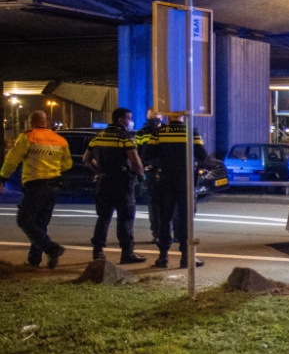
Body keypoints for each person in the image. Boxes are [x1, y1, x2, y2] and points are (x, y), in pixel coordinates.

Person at [0, 110, 71, 268]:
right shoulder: (59, 140)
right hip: (54, 187)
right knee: (40, 224)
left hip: (36, 186)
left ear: (32, 122)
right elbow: (67, 164)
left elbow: (12, 160)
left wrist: (3, 178)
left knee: (24, 220)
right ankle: (34, 261)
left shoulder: (27, 137)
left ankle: (52, 248)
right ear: (46, 122)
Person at [142, 115, 207, 269]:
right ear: (182, 116)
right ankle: (186, 258)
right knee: (185, 219)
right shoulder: (191, 132)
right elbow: (202, 156)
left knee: (165, 219)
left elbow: (147, 155)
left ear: (169, 116)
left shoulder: (159, 133)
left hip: (165, 180)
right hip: (185, 180)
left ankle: (163, 258)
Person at [83, 107, 146, 264]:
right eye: (129, 118)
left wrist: (99, 170)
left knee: (103, 217)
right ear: (120, 120)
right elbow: (135, 160)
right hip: (122, 182)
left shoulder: (98, 137)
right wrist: (141, 176)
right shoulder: (125, 137)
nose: (131, 122)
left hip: (103, 182)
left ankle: (98, 252)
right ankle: (127, 253)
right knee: (125, 218)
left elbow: (86, 159)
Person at [135, 111, 168, 245]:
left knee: (168, 205)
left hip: (166, 173)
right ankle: (157, 233)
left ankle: (168, 233)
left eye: (156, 115)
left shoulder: (168, 131)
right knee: (153, 205)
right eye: (150, 115)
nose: (153, 118)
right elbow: (137, 154)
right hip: (150, 173)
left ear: (162, 116)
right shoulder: (141, 133)